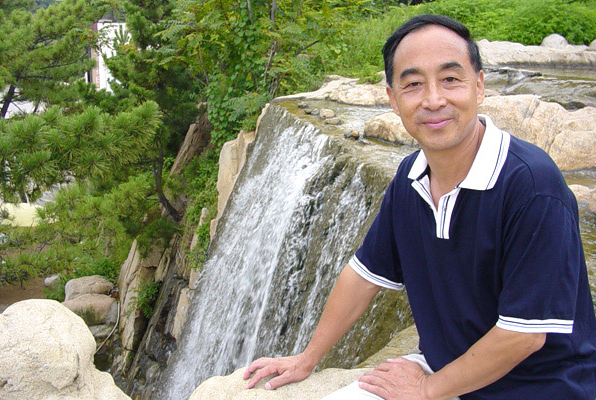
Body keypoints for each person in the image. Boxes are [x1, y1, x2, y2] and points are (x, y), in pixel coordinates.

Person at [243, 14, 596, 399]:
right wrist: (306, 358)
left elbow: (522, 336)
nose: (433, 100)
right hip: (445, 370)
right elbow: (363, 276)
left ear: (480, 86)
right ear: (393, 100)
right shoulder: (411, 176)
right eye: (413, 84)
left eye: (450, 79)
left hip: (539, 389)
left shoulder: (532, 186)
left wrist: (427, 390)